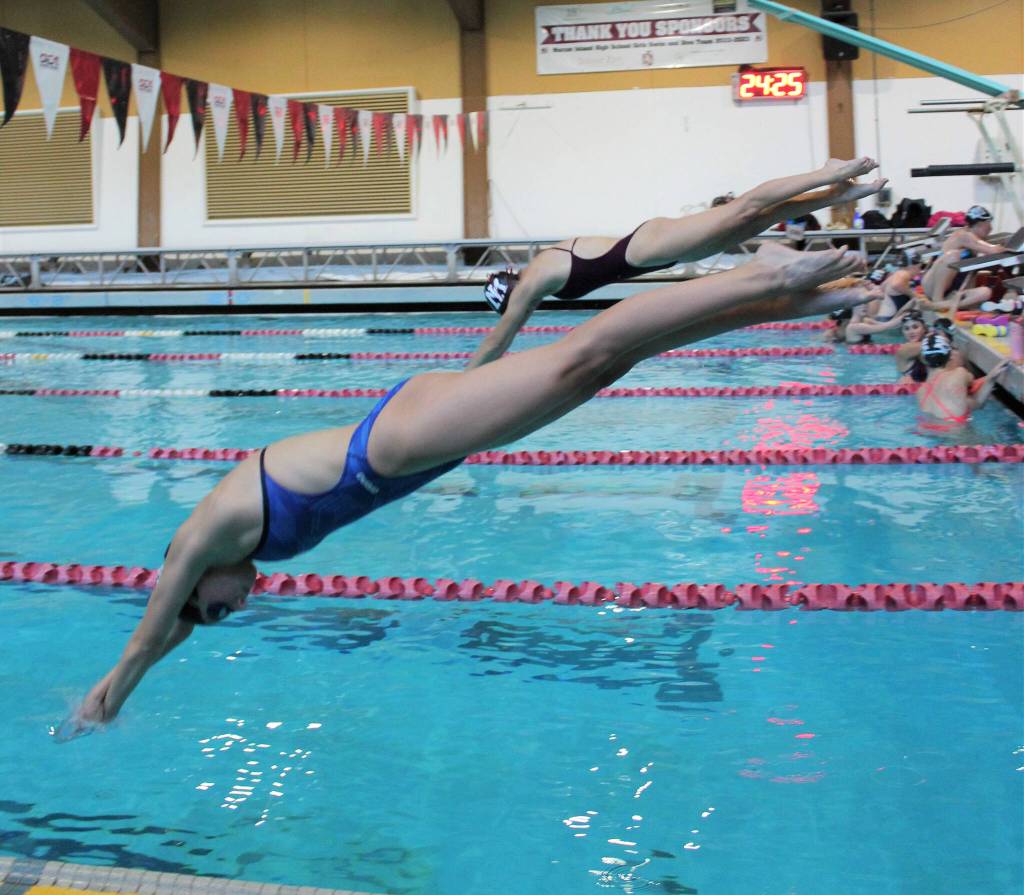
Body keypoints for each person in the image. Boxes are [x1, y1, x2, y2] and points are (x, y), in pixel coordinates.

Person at [67, 243, 872, 733]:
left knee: (585, 354)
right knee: (606, 368)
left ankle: (759, 275)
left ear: (189, 582)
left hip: (392, 445)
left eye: (217, 607)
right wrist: (132, 673)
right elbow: (170, 637)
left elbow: (148, 635)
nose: (236, 606)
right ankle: (785, 299)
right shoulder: (224, 558)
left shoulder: (203, 535)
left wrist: (107, 702)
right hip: (416, 448)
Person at [474, 157, 885, 368]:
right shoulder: (536, 276)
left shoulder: (534, 279)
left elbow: (498, 340)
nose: (517, 310)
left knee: (746, 207)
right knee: (758, 217)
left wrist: (459, 384)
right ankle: (838, 193)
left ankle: (826, 173)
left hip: (648, 245)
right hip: (656, 256)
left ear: (510, 291)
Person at [916, 331, 1009, 428]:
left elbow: (966, 403)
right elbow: (978, 403)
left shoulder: (920, 390)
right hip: (957, 435)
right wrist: (991, 378)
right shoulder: (959, 373)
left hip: (930, 432)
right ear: (950, 356)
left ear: (924, 359)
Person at [921, 205, 1003, 308]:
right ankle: (937, 300)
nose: (991, 228)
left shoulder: (974, 240)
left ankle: (945, 305)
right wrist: (1008, 247)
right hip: (932, 287)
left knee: (985, 292)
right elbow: (994, 250)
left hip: (951, 291)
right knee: (952, 256)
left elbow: (970, 275)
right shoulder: (963, 235)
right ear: (981, 224)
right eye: (989, 224)